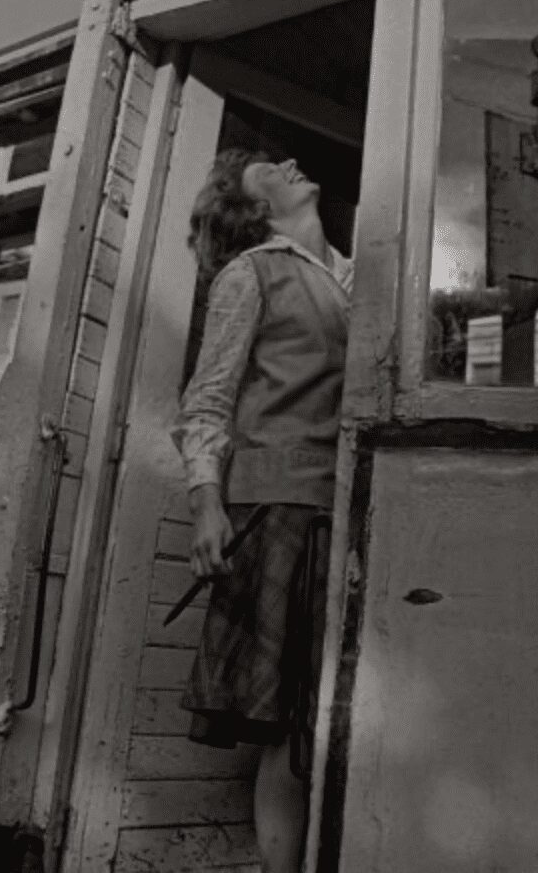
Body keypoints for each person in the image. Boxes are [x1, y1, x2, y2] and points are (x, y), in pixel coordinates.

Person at [170, 148, 352, 873]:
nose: (291, 162)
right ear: (255, 211)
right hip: (274, 508)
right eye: (270, 170)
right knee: (287, 728)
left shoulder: (357, 275)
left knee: (330, 717)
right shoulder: (252, 274)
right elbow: (207, 398)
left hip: (352, 511)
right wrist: (206, 503)